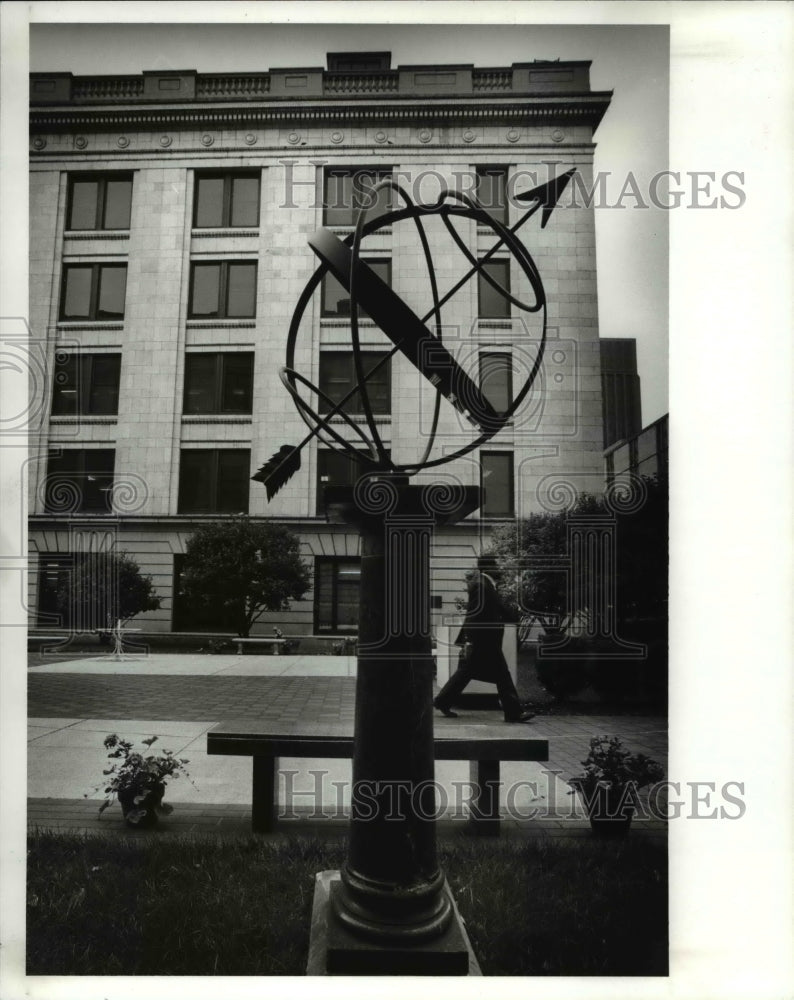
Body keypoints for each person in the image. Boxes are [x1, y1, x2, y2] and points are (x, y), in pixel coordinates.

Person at [433, 561, 534, 724]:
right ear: (487, 568)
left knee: (466, 672)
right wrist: (470, 640)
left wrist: (513, 618)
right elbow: (474, 615)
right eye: (496, 565)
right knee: (502, 675)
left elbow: (497, 608)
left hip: (484, 640)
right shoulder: (481, 585)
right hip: (484, 641)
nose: (499, 568)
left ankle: (442, 701)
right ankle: (513, 713)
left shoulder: (485, 584)